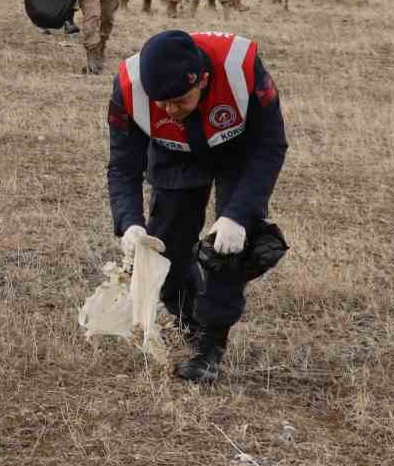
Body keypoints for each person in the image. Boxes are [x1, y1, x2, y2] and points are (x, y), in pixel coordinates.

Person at [108, 29, 288, 383]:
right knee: (167, 248)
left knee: (227, 249)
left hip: (239, 149)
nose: (170, 110)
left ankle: (210, 342)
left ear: (203, 80)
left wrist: (238, 216)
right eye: (161, 103)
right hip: (173, 152)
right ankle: (188, 318)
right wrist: (129, 221)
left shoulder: (243, 69)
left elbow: (270, 146)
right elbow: (123, 164)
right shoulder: (129, 88)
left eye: (179, 101)